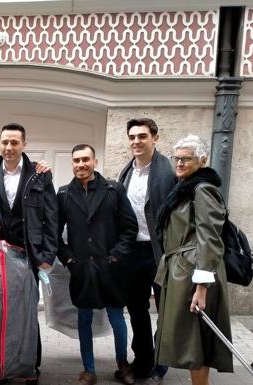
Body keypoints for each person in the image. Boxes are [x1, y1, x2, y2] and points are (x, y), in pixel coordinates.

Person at [0, 123, 57, 385]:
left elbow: (51, 216)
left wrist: (47, 254)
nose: (9, 148)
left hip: (28, 253)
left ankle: (29, 367)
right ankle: (1, 366)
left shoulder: (39, 174)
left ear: (24, 144)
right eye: (5, 143)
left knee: (26, 313)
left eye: (14, 142)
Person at [154, 135, 232, 385]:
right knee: (189, 338)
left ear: (202, 159)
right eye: (176, 158)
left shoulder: (203, 190)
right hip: (182, 270)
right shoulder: (186, 188)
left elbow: (209, 239)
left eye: (185, 159)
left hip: (194, 272)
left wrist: (201, 287)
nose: (179, 163)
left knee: (194, 339)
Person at [57, 144, 138, 385]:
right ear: (72, 163)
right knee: (84, 318)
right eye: (76, 160)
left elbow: (130, 227)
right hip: (81, 267)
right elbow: (54, 231)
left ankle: (123, 366)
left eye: (85, 159)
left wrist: (116, 256)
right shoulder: (63, 194)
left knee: (116, 317)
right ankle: (88, 370)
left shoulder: (113, 190)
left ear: (95, 162)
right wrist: (69, 259)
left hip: (110, 267)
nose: (80, 164)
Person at [117, 118, 177, 385]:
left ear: (155, 137)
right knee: (137, 311)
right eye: (132, 137)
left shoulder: (170, 171)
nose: (136, 142)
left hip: (161, 252)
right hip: (133, 252)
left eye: (142, 136)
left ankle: (160, 364)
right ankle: (143, 359)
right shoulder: (126, 173)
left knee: (166, 310)